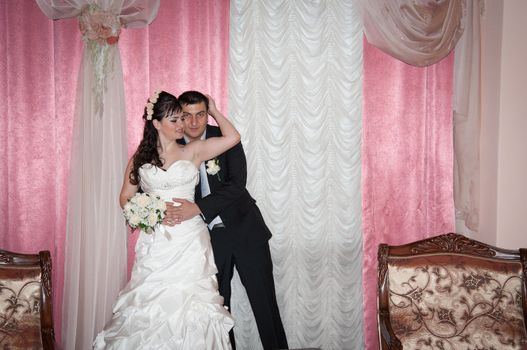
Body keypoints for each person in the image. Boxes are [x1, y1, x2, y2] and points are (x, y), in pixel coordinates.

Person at [93, 90, 240, 349]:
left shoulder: (193, 150)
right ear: (156, 123)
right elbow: (126, 198)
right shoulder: (140, 159)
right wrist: (153, 213)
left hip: (190, 241)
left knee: (193, 305)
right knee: (152, 307)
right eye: (175, 120)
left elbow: (233, 137)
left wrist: (214, 111)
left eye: (181, 119)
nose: (182, 125)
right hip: (157, 243)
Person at [166, 90, 288, 350]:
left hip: (246, 231)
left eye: (201, 114)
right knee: (217, 310)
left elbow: (237, 185)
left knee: (265, 304)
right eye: (187, 116)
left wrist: (198, 207)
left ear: (207, 112)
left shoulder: (225, 136)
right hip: (208, 240)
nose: (195, 122)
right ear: (179, 117)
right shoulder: (174, 149)